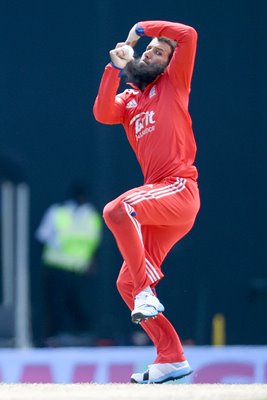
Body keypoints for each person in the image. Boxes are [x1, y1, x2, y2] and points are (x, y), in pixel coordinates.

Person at [93, 20, 200, 383]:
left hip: (178, 189)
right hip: (157, 200)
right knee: (125, 283)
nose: (151, 53)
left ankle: (145, 294)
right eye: (149, 48)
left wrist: (141, 28)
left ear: (169, 64)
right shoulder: (130, 99)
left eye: (159, 52)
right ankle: (171, 356)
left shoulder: (174, 83)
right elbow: (103, 114)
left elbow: (188, 36)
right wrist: (114, 67)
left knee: (116, 209)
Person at [35, 183, 102, 345]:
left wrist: (91, 262)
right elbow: (42, 237)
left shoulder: (92, 216)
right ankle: (52, 337)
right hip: (57, 267)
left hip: (79, 269)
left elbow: (93, 243)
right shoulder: (57, 212)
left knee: (78, 305)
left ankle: (83, 335)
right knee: (56, 305)